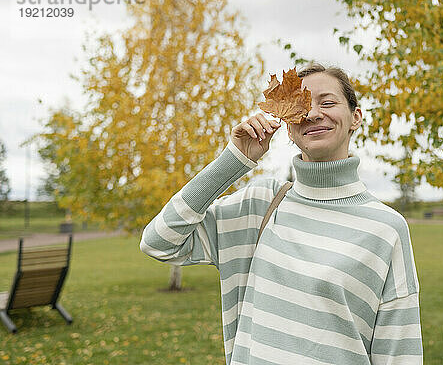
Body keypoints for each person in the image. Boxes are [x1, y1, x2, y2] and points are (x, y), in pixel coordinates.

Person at [140, 63, 422, 364]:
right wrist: (233, 161)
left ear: (355, 117)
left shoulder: (386, 228)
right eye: (301, 107)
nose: (313, 114)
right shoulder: (261, 204)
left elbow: (399, 352)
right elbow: (159, 241)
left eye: (327, 102)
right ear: (288, 125)